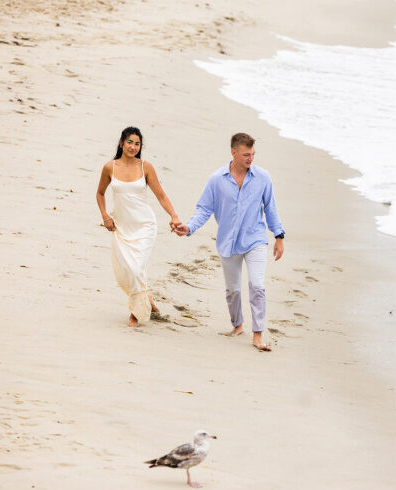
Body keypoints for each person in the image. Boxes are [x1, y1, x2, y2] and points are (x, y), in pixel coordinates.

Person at [173, 133, 284, 351]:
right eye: (246, 155)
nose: (250, 158)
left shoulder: (263, 178)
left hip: (255, 240)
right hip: (228, 242)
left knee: (257, 285)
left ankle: (258, 334)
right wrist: (189, 227)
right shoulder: (217, 179)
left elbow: (271, 208)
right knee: (233, 290)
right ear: (233, 153)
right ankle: (238, 325)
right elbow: (204, 208)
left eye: (252, 154)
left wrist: (279, 237)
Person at [96, 126, 182, 327]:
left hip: (144, 225)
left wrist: (174, 215)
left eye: (137, 144)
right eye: (129, 142)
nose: (133, 147)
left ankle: (136, 314)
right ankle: (147, 299)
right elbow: (100, 193)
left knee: (136, 267)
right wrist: (105, 215)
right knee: (130, 269)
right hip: (122, 227)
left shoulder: (146, 167)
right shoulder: (110, 167)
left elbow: (160, 195)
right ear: (121, 143)